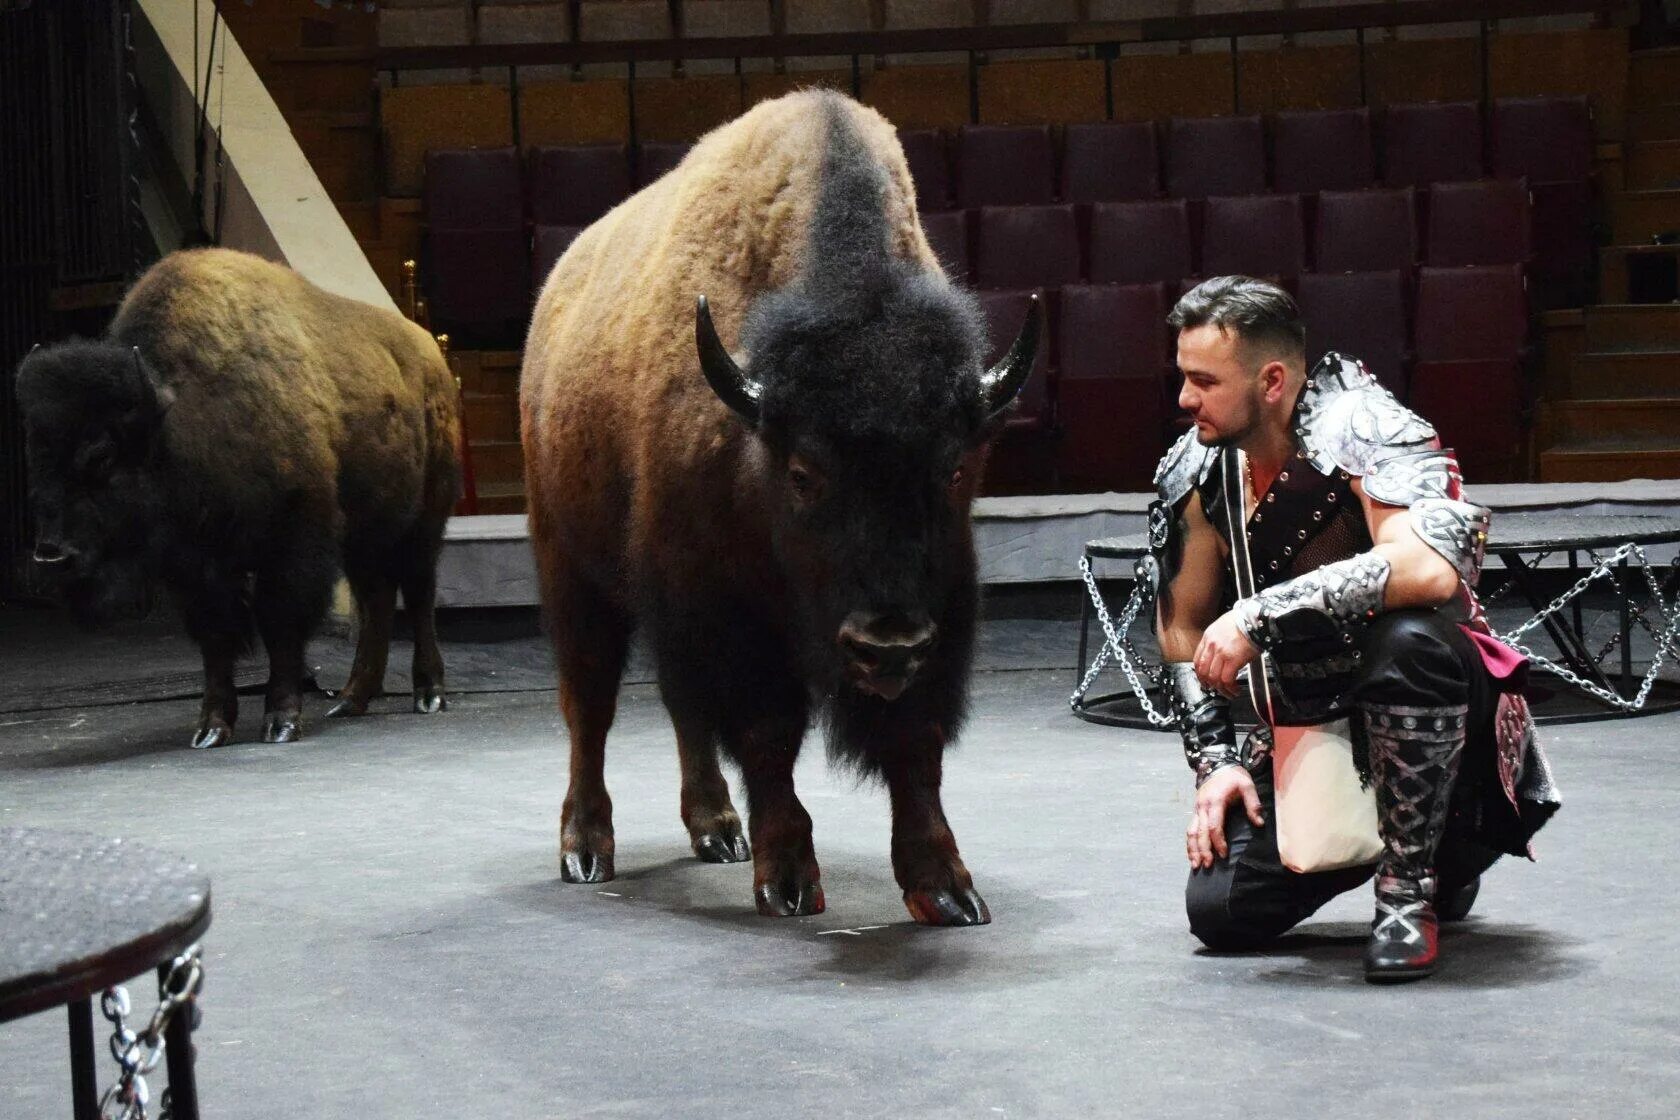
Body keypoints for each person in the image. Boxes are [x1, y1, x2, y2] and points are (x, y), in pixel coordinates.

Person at [1148, 276, 1560, 982]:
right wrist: (1215, 762)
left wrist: (1258, 613)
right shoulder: (1196, 466)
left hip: (1437, 708)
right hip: (1309, 727)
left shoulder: (1367, 425)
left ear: (1271, 380)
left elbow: (1430, 571)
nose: (1185, 399)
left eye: (1203, 381)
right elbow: (1182, 632)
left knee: (1410, 641)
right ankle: (1435, 854)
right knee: (1221, 912)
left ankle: (1412, 885)